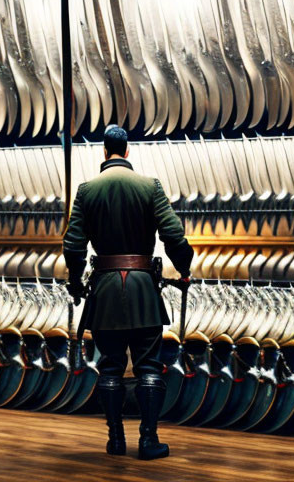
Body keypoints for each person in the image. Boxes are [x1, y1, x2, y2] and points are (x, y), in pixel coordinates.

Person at [62, 125, 193, 460]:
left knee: (110, 367)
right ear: (127, 151)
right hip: (143, 289)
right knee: (149, 366)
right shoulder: (150, 186)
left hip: (104, 290)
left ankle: (115, 440)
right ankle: (148, 441)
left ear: (105, 152)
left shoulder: (87, 190)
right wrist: (185, 267)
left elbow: (74, 246)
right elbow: (174, 235)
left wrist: (76, 283)